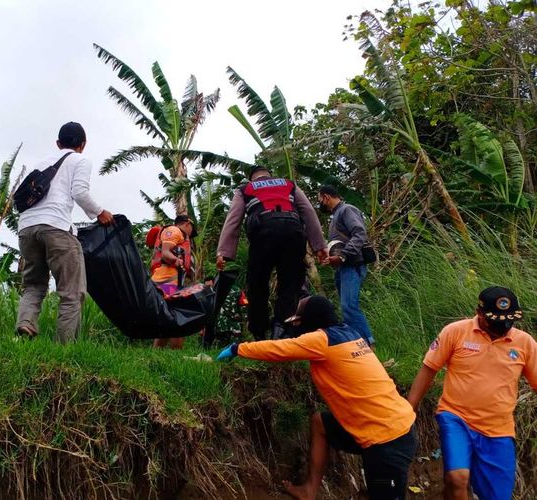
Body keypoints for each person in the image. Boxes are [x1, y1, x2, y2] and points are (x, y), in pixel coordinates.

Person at [217, 295, 417, 500]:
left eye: (299, 322)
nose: (296, 327)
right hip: (394, 427)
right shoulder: (352, 334)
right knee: (321, 423)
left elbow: (280, 348)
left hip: (387, 441)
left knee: (386, 492)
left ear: (311, 320)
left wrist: (237, 348)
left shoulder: (321, 340)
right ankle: (309, 490)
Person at [407, 286, 537, 500]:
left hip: (499, 430)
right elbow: (429, 368)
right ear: (479, 313)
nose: (504, 326)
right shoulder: (455, 332)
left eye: (509, 321)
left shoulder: (525, 343)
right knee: (458, 477)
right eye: (497, 321)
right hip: (456, 418)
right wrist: (409, 407)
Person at [15, 122, 113, 343]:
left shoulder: (40, 163)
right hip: (56, 228)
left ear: (58, 144)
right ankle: (65, 348)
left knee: (33, 285)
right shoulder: (80, 160)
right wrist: (100, 212)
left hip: (27, 229)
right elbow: (79, 192)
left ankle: (25, 325)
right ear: (83, 144)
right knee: (71, 292)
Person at [216, 165, 327, 340]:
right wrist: (320, 246)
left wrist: (224, 252)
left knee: (257, 285)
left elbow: (234, 219)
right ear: (269, 175)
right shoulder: (289, 184)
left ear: (252, 178)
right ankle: (282, 330)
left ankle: (259, 334)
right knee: (290, 286)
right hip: (293, 232)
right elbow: (308, 212)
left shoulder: (245, 188)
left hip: (263, 233)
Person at [316, 184, 375, 346]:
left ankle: (368, 345)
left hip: (352, 265)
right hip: (344, 267)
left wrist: (342, 255)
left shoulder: (346, 210)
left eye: (320, 199)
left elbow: (360, 233)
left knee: (349, 306)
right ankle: (356, 344)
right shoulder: (336, 215)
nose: (320, 202)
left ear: (326, 197)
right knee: (346, 307)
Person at [150, 214, 197, 349]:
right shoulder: (175, 231)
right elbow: (165, 252)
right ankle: (176, 353)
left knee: (169, 317)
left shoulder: (179, 234)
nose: (190, 235)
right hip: (166, 280)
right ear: (187, 223)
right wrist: (176, 260)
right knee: (178, 316)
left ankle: (158, 353)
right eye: (192, 231)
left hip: (171, 280)